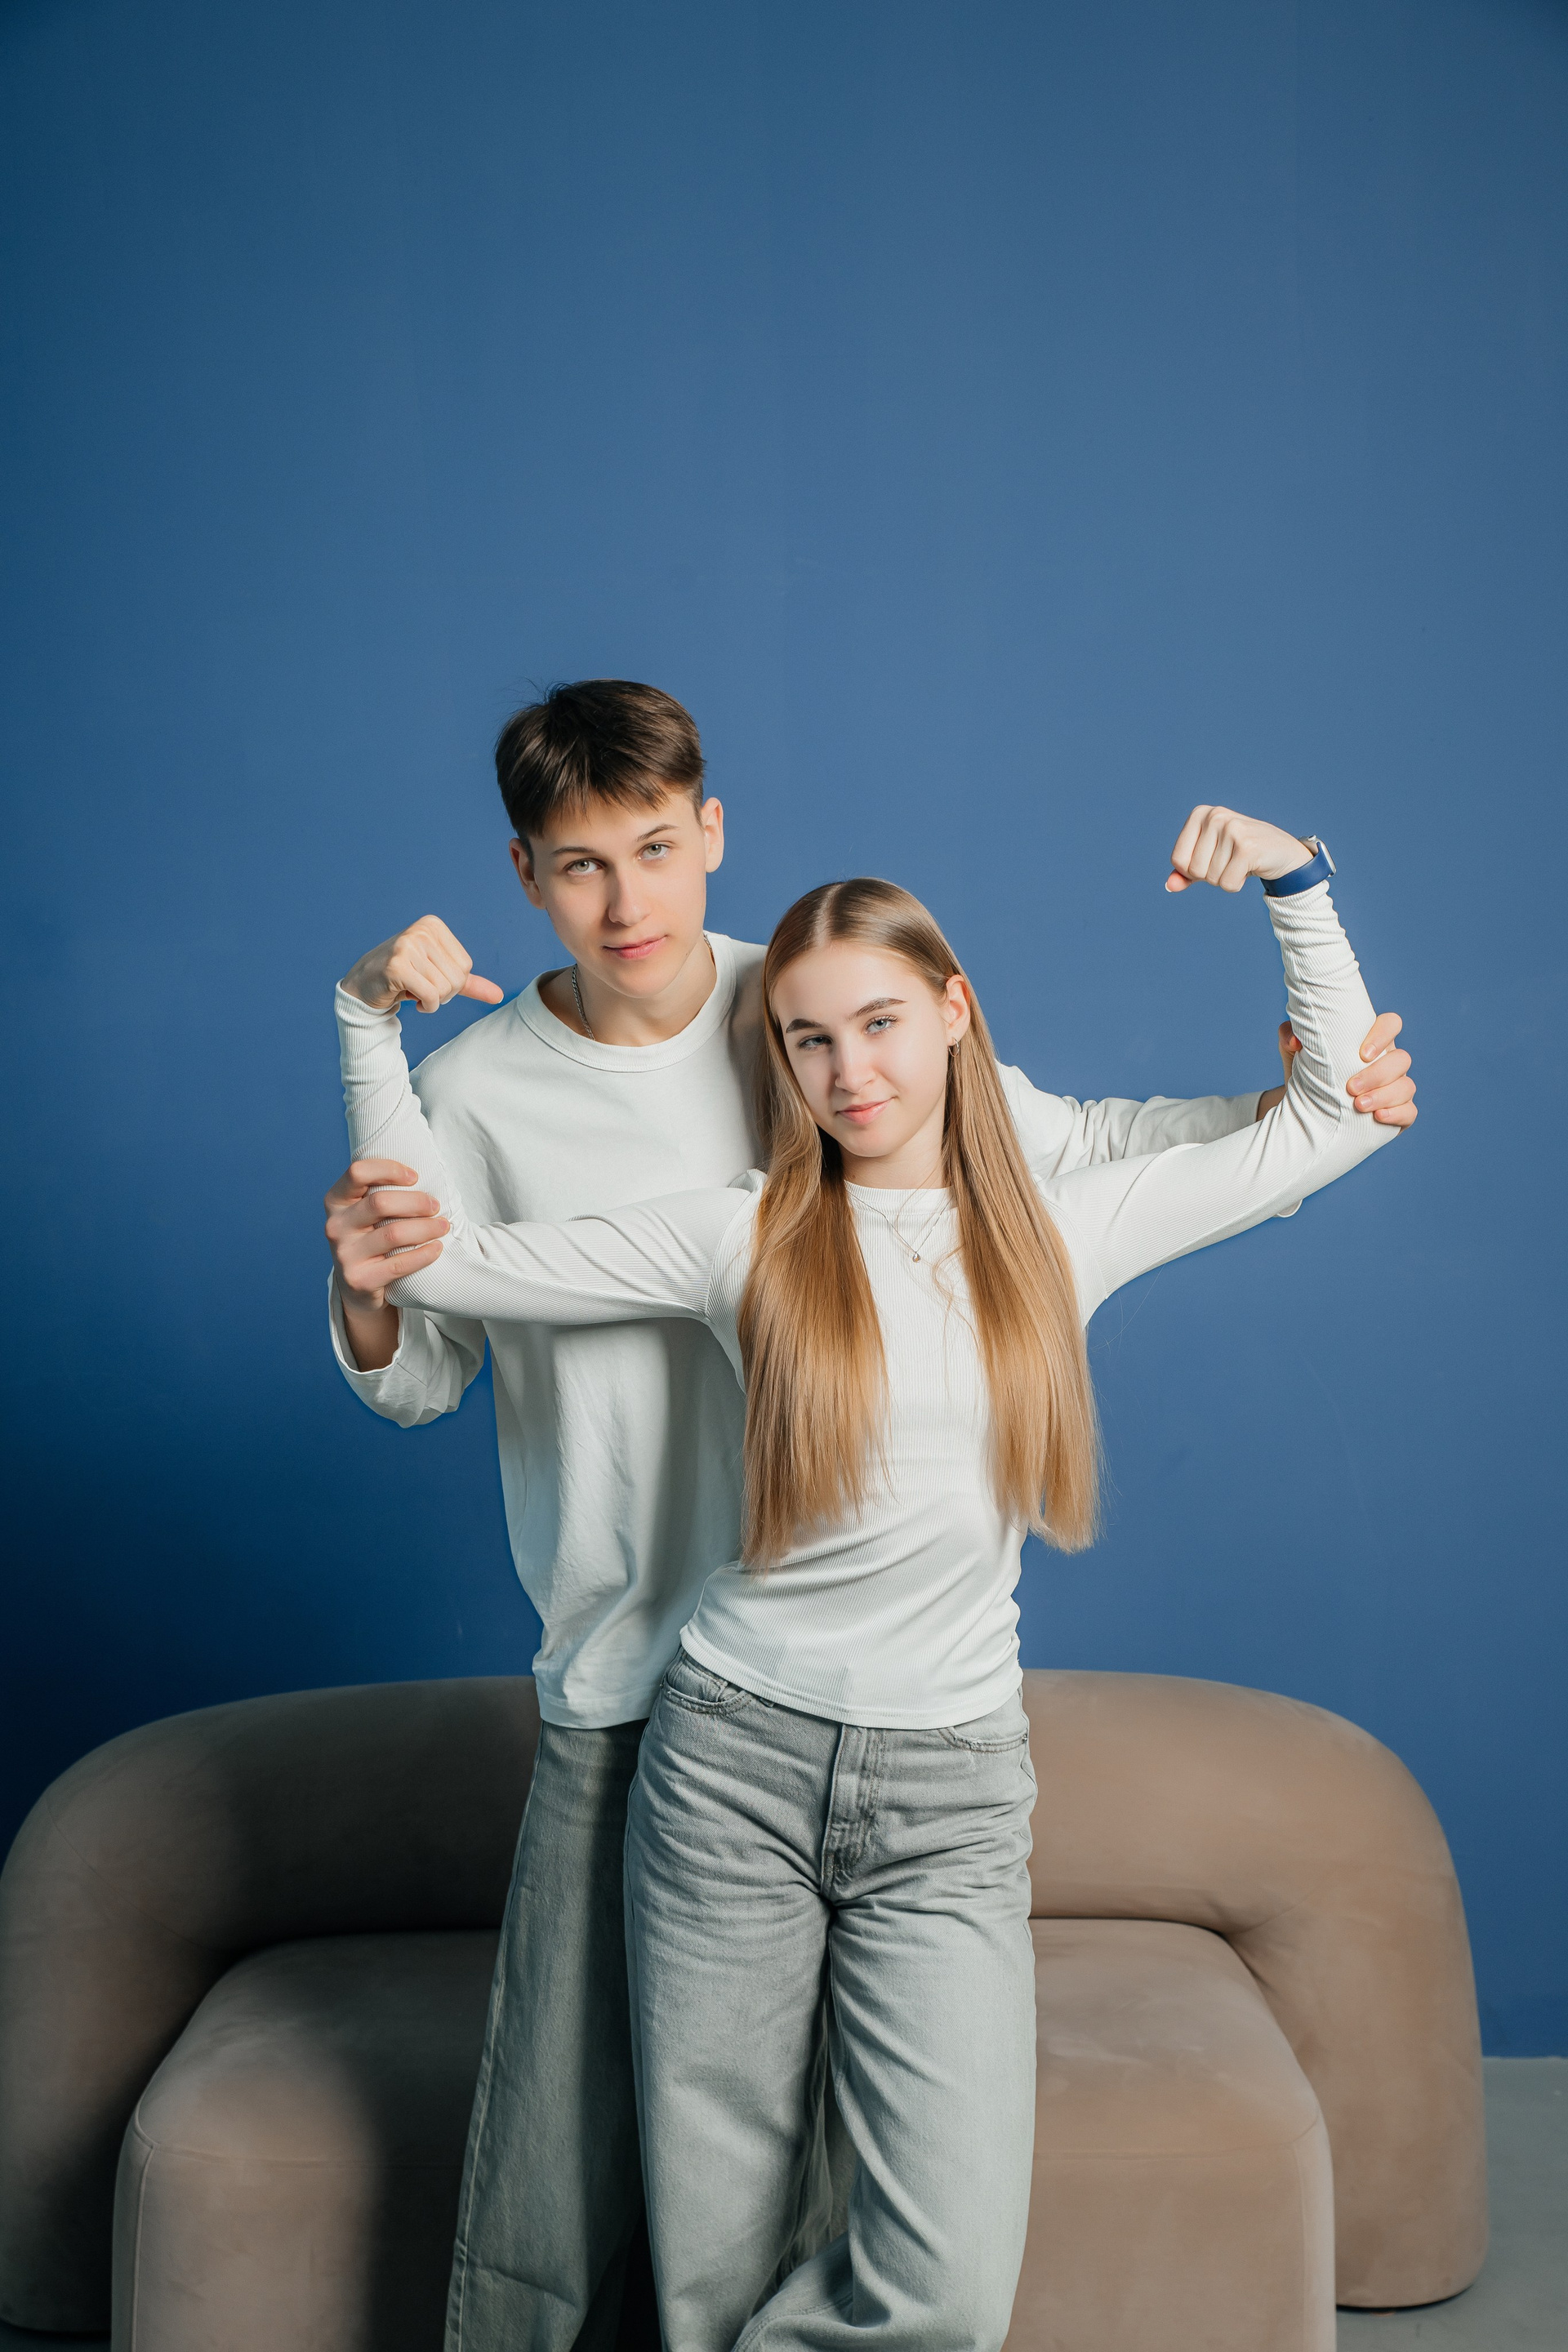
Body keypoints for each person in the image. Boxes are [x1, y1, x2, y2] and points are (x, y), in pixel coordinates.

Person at [323, 685, 1417, 2352]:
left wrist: (1299, 923)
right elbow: (433, 1293)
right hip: (684, 1712)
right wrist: (361, 1037)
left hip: (939, 1766)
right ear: (527, 876)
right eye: (580, 866)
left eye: (657, 850)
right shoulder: (702, 1211)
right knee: (651, 2214)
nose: (848, 1067)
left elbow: (1182, 1137)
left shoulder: (951, 1127)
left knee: (924, 2265)